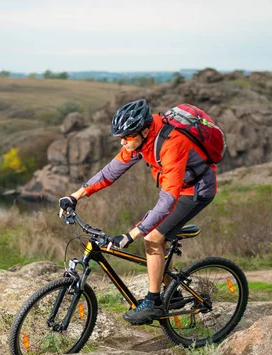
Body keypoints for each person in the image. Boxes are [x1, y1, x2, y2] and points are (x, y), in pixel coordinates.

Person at [58, 99, 217, 325]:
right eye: (120, 138)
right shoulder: (140, 141)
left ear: (144, 130)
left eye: (127, 137)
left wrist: (131, 235)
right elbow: (109, 173)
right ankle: (174, 296)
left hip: (195, 192)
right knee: (156, 234)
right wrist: (75, 195)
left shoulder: (172, 143)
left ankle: (152, 303)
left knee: (152, 238)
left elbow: (168, 200)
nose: (123, 142)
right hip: (177, 189)